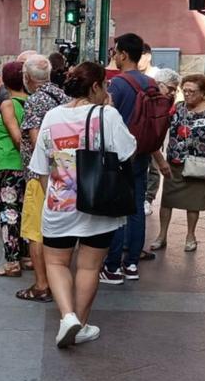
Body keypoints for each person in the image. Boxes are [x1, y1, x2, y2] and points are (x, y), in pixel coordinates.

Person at [29, 62, 136, 348]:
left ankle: (67, 317)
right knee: (89, 268)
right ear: (96, 86)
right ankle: (83, 323)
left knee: (56, 262)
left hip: (59, 202)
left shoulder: (52, 116)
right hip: (98, 202)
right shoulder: (108, 114)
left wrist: (53, 195)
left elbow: (41, 167)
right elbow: (127, 151)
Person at [102, 33, 163, 284]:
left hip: (119, 155)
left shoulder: (117, 84)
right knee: (137, 209)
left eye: (116, 52)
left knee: (117, 211)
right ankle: (132, 265)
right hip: (142, 153)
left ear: (124, 54)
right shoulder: (151, 83)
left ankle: (113, 267)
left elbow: (107, 118)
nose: (114, 56)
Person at [152, 74, 205, 253]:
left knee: (193, 203)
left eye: (192, 91)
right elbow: (161, 127)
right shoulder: (177, 108)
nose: (187, 95)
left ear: (204, 92)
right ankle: (162, 235)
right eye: (185, 91)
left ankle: (190, 235)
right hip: (175, 161)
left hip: (198, 164)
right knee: (167, 200)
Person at [17, 54, 70, 300]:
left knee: (34, 230)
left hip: (42, 175)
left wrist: (46, 174)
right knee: (56, 229)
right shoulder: (62, 96)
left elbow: (37, 139)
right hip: (65, 171)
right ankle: (58, 277)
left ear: (27, 78)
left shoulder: (35, 100)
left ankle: (41, 285)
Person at [0, 62, 31, 281]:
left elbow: (16, 137)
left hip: (9, 166)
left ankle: (12, 261)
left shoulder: (8, 104)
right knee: (22, 213)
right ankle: (24, 255)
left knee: (10, 214)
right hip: (22, 168)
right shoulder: (29, 102)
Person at [144, 68, 181, 217]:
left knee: (153, 170)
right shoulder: (149, 99)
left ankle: (148, 199)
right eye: (170, 88)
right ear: (160, 84)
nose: (172, 93)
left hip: (155, 143)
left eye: (175, 90)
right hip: (147, 144)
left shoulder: (166, 101)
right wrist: (161, 160)